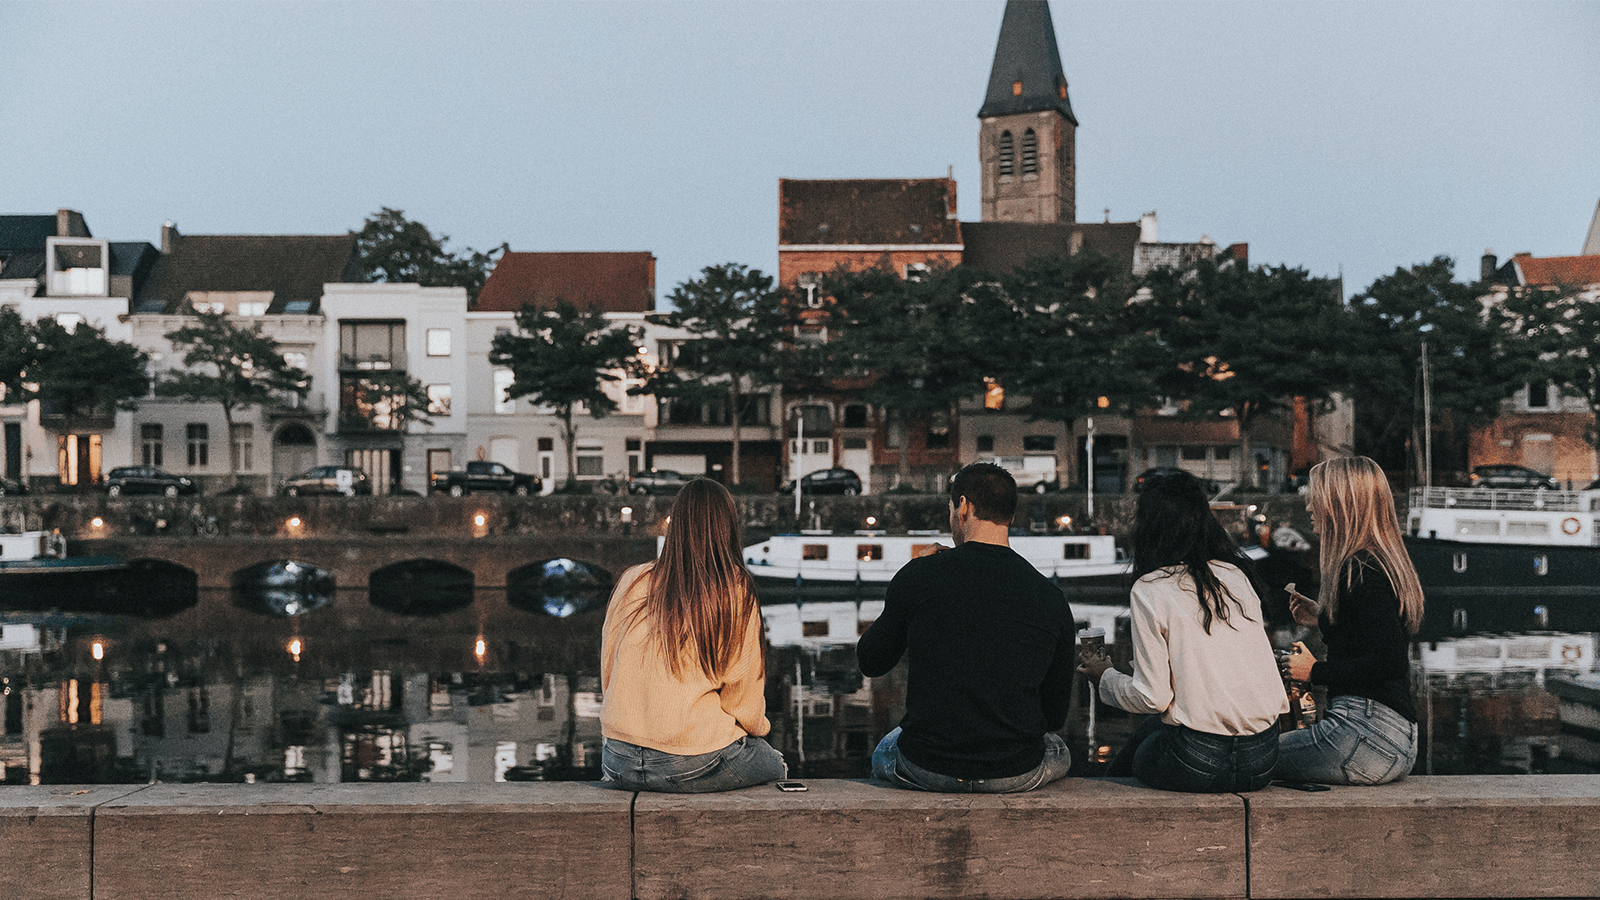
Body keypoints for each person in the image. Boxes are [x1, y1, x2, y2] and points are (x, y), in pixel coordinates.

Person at [858, 462, 1076, 792]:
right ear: (1011, 517)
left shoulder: (920, 575)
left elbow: (870, 661)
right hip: (1014, 771)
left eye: (951, 509)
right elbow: (1055, 715)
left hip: (926, 766)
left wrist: (911, 575)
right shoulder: (1050, 596)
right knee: (1058, 749)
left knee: (888, 746)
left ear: (963, 507)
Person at [1078, 470, 1288, 793]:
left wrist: (1104, 676)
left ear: (1147, 526)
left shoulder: (1149, 589)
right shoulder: (1234, 576)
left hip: (1199, 762)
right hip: (1263, 758)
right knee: (1152, 729)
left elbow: (1153, 696)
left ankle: (1101, 799)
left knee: (1136, 756)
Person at [599, 478, 787, 792]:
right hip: (689, 762)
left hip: (617, 758)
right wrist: (755, 730)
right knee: (774, 763)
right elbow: (743, 696)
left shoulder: (632, 579)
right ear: (728, 526)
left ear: (677, 524)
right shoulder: (735, 588)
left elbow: (609, 668)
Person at [1275, 456, 1423, 785]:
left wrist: (1312, 672)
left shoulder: (1359, 570)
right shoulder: (1377, 563)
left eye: (1316, 496)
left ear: (1341, 503)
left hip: (1366, 735)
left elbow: (1389, 662)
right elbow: (1370, 634)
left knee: (1246, 758)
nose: (1309, 505)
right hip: (1394, 737)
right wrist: (1324, 617)